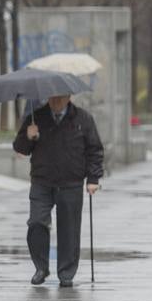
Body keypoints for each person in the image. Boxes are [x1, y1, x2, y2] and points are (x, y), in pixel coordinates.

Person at [13, 93, 104, 286]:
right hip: (41, 181)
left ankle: (66, 273)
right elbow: (21, 148)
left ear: (68, 96)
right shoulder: (35, 117)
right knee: (36, 222)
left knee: (69, 230)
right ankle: (41, 267)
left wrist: (93, 178)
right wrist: (28, 136)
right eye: (52, 97)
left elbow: (94, 149)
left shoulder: (82, 118)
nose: (55, 101)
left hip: (71, 181)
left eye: (60, 97)